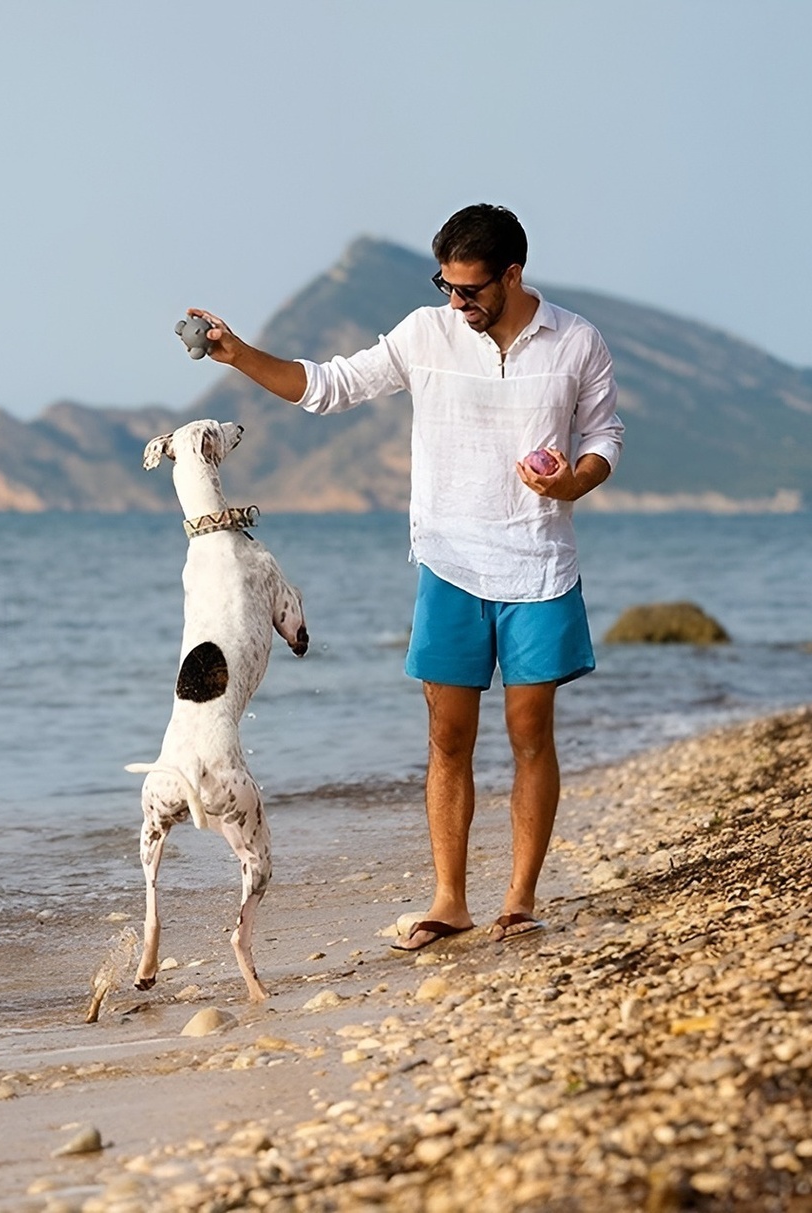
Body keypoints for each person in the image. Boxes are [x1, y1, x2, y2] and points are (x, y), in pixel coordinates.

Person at [188, 203, 623, 951]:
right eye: (446, 286)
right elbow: (326, 386)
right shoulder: (426, 333)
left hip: (540, 563)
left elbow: (604, 435)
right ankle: (449, 901)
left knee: (529, 733)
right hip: (451, 560)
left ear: (512, 275)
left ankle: (519, 900)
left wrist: (574, 483)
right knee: (447, 737)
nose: (456, 303)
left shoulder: (577, 341)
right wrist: (238, 354)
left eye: (470, 290)